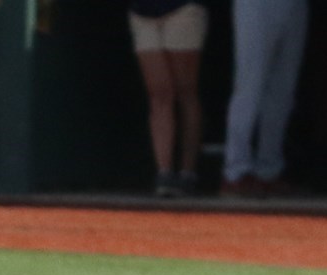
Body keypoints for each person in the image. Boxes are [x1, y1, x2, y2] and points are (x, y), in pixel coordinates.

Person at [220, 0, 308, 198]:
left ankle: (268, 171)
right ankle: (235, 173)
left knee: (283, 92)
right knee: (249, 87)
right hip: (257, 5)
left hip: (294, 6)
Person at [127, 0, 209, 198]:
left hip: (183, 9)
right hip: (141, 13)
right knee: (159, 94)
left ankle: (187, 172)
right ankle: (164, 173)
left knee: (185, 91)